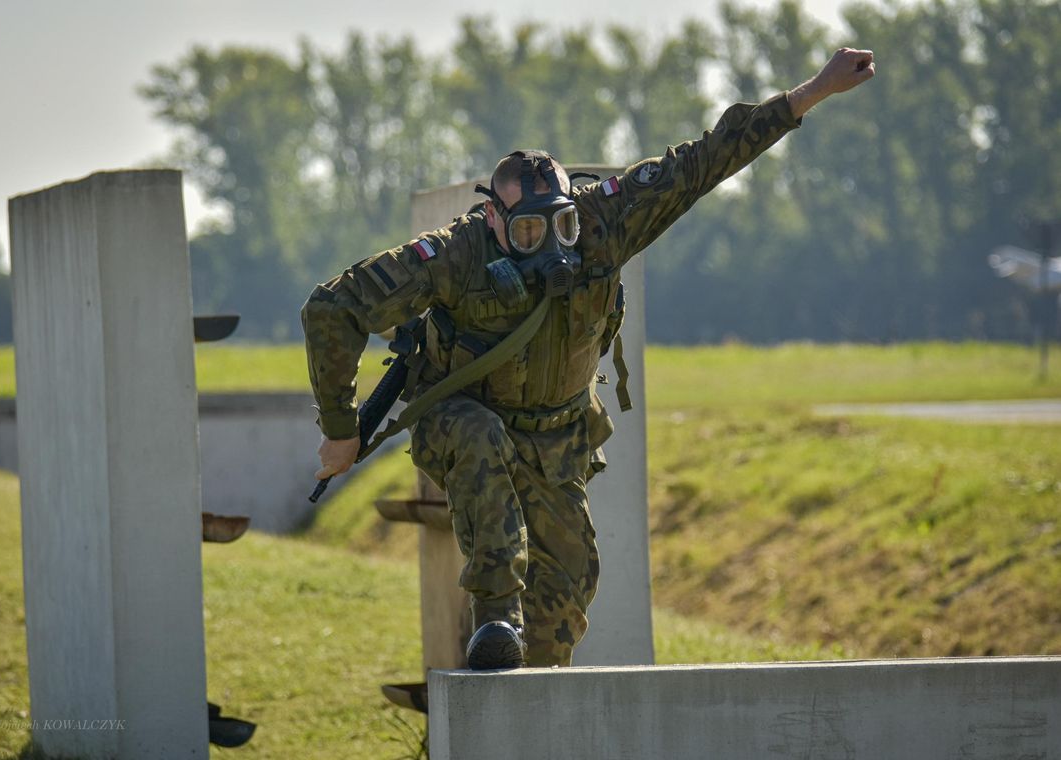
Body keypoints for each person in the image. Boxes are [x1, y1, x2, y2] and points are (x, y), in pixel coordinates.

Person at [302, 48, 876, 669]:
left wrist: (813, 91)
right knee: (478, 435)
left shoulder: (605, 220)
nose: (551, 245)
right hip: (463, 422)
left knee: (567, 591)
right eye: (528, 232)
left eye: (563, 226)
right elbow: (334, 307)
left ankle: (529, 686)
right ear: (493, 217)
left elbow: (704, 160)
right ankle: (495, 616)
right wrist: (340, 428)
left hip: (558, 437)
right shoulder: (454, 255)